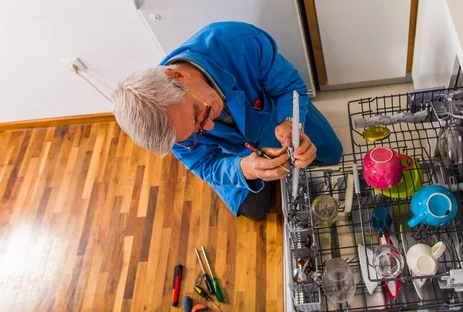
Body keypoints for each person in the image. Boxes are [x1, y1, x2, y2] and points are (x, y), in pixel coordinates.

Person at [113, 22, 342, 219]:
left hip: (276, 118)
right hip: (235, 154)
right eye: (196, 133)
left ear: (178, 76)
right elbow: (204, 163)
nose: (211, 127)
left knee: (332, 154)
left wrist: (291, 123)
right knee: (255, 209)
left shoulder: (239, 42)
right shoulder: (170, 124)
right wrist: (244, 168)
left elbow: (289, 87)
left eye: (199, 115)